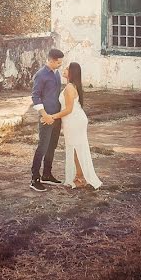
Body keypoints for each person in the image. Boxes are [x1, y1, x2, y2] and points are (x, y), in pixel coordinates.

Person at [50, 62, 102, 190]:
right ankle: (79, 176)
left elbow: (68, 109)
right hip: (73, 120)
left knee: (76, 149)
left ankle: (80, 177)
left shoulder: (69, 88)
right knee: (76, 149)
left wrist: (53, 117)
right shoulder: (72, 86)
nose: (65, 69)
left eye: (67, 68)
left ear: (72, 73)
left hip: (74, 120)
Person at [30, 48, 64, 192]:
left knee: (52, 146)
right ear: (50, 60)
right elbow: (35, 96)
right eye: (58, 63)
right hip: (46, 117)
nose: (60, 65)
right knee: (42, 147)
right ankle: (34, 179)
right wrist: (44, 115)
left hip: (56, 116)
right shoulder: (41, 75)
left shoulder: (57, 73)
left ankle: (47, 174)